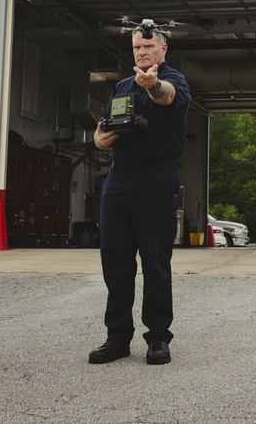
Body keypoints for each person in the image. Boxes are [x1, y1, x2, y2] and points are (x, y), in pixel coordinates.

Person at [88, 29, 190, 365]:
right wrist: (100, 140)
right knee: (115, 261)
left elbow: (168, 96)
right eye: (136, 46)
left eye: (148, 46)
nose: (141, 51)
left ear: (163, 48)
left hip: (156, 178)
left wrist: (153, 85)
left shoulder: (173, 79)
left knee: (155, 260)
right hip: (119, 177)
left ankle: (158, 338)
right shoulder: (121, 87)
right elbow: (106, 129)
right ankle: (117, 338)